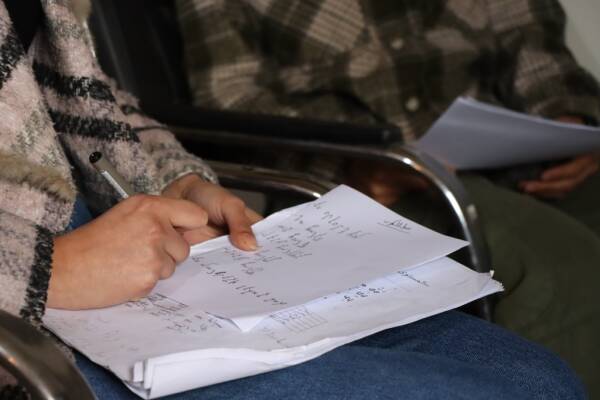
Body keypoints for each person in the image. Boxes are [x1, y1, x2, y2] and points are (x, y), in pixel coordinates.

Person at [0, 1, 587, 399]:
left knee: (539, 378)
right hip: (30, 306)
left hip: (116, 243)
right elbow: (232, 94)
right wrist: (55, 269)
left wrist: (173, 179)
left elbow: (86, 93)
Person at [175, 0, 600, 397]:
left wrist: (569, 117)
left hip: (508, 142)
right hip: (365, 175)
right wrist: (349, 161)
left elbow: (531, 35)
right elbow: (229, 98)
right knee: (563, 272)